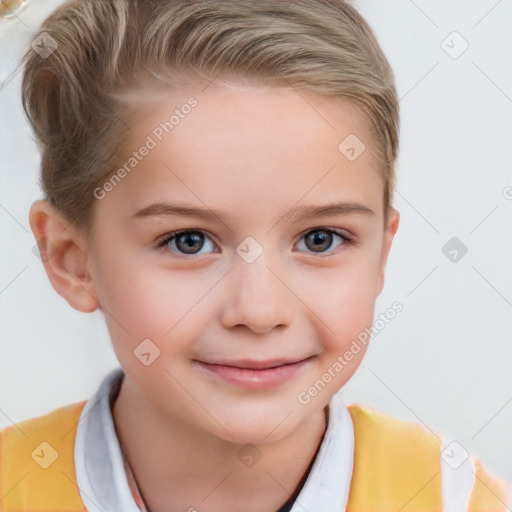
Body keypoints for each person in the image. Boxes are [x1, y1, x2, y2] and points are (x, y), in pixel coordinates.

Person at [0, 0, 509, 511]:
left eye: (320, 239)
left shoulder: (453, 497)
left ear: (381, 253)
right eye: (188, 241)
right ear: (71, 260)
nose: (261, 312)